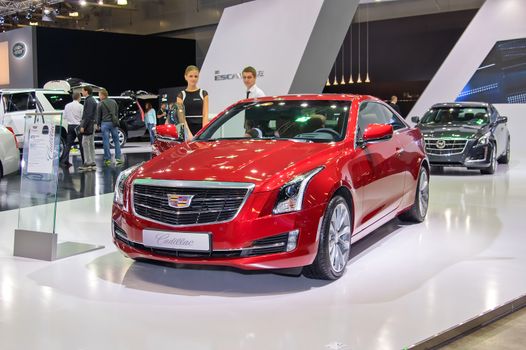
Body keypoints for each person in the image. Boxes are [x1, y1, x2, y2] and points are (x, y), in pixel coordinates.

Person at [176, 65, 209, 138]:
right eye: (190, 76)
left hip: (201, 130)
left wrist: (203, 133)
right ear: (185, 77)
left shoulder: (204, 94)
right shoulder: (181, 95)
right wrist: (188, 134)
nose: (193, 79)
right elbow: (181, 117)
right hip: (185, 130)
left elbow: (205, 115)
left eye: (196, 76)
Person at [96, 88, 123, 166]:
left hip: (105, 124)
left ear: (103, 95)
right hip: (113, 124)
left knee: (106, 141)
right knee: (116, 141)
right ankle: (118, 159)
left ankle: (107, 159)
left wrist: (98, 124)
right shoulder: (114, 102)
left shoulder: (100, 103)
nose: (99, 96)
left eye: (99, 95)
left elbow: (98, 116)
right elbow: (116, 113)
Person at [60, 92, 84, 167]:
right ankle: (84, 161)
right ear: (79, 97)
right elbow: (83, 117)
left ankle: (64, 161)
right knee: (81, 144)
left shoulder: (67, 105)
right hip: (78, 126)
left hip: (70, 126)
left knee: (68, 144)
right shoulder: (80, 106)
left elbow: (64, 116)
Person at [78, 86, 97, 171]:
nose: (82, 92)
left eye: (82, 91)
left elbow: (88, 115)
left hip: (88, 125)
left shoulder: (89, 100)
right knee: (91, 143)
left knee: (85, 143)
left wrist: (83, 126)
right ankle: (92, 162)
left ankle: (87, 163)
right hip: (91, 124)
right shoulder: (92, 99)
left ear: (86, 91)